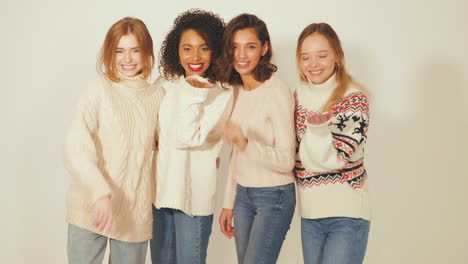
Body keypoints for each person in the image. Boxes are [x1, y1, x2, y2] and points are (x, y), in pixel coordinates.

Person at [63, 17, 163, 264]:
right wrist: (100, 193)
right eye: (119, 51)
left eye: (135, 50)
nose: (127, 59)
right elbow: (75, 145)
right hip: (90, 207)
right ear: (110, 52)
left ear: (146, 52)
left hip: (134, 215)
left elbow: (166, 148)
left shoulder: (157, 95)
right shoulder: (99, 87)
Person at [150, 9, 232, 264]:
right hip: (160, 195)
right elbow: (148, 129)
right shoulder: (165, 82)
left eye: (204, 48)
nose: (195, 57)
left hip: (194, 197)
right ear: (177, 50)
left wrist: (195, 91)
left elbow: (187, 137)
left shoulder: (222, 93)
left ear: (216, 50)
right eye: (187, 48)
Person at [217, 13, 296, 264]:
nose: (241, 55)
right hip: (243, 196)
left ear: (264, 48)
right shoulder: (237, 91)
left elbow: (286, 161)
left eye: (250, 47)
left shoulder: (278, 91)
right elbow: (236, 153)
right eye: (235, 47)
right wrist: (228, 202)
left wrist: (246, 143)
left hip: (274, 196)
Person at [294, 23, 371, 264]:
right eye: (305, 57)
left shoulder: (354, 98)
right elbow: (292, 153)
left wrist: (317, 130)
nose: (313, 64)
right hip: (309, 214)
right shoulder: (298, 95)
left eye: (322, 55)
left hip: (346, 215)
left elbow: (335, 159)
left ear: (337, 55)